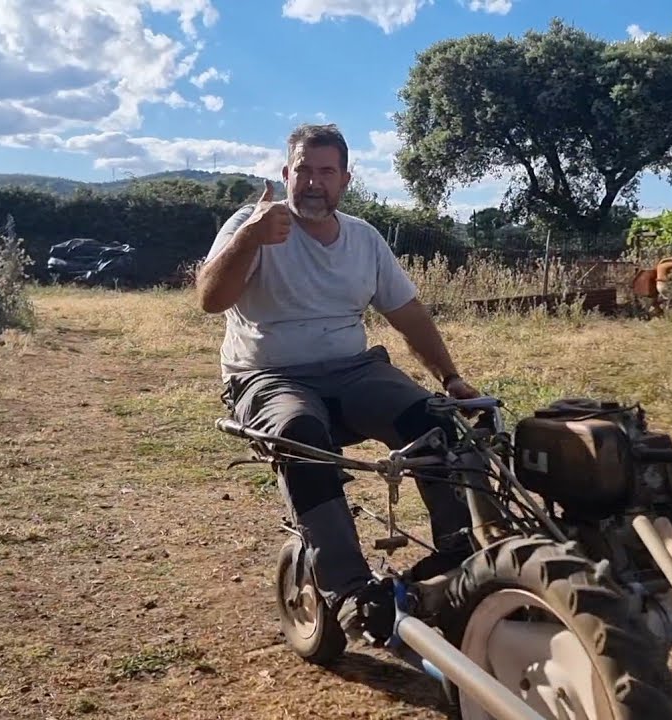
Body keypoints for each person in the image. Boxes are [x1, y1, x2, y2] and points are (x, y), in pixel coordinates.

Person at [196, 123, 479, 645]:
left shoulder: (363, 237)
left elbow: (407, 312)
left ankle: (462, 557)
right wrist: (251, 238)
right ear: (286, 174)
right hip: (269, 376)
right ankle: (351, 590)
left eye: (326, 171)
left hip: (354, 371)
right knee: (300, 431)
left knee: (433, 421)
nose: (312, 182)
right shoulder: (251, 224)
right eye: (303, 169)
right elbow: (210, 299)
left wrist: (451, 377)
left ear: (345, 179)